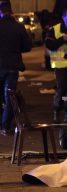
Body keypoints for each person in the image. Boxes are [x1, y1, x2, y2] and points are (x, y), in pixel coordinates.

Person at [0, 2, 32, 135]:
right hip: (13, 67)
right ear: (11, 11)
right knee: (9, 97)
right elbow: (27, 47)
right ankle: (5, 127)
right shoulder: (18, 27)